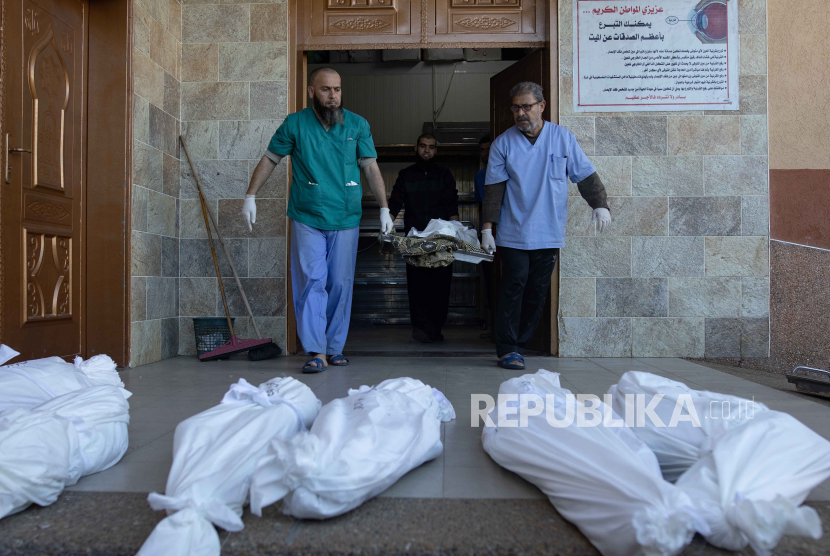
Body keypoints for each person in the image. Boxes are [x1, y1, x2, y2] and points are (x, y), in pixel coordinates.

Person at [242, 67, 394, 373]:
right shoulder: (295, 124)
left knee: (339, 282)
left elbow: (371, 167)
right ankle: (316, 350)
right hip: (307, 214)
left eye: (337, 90)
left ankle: (334, 347)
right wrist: (250, 195)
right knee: (313, 281)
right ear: (312, 91)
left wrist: (384, 208)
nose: (333, 97)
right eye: (326, 90)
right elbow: (271, 158)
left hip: (346, 215)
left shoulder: (357, 124)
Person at [481, 81, 612, 370]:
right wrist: (487, 228)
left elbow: (585, 176)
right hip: (513, 231)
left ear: (541, 106)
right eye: (515, 107)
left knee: (537, 289)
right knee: (513, 285)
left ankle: (520, 344)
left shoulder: (562, 138)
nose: (520, 113)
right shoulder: (503, 143)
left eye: (526, 106)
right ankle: (507, 349)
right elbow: (494, 190)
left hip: (549, 231)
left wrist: (599, 204)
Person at [387, 133, 459, 343]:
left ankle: (435, 328)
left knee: (440, 284)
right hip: (415, 240)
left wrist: (457, 232)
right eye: (423, 146)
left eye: (431, 147)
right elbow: (395, 203)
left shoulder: (444, 175)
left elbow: (451, 204)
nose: (427, 150)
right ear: (415, 148)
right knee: (417, 285)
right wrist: (386, 224)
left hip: (441, 239)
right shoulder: (406, 175)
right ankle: (419, 327)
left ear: (436, 150)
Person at [473, 134, 494, 340]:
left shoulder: (507, 170)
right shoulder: (480, 176)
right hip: (486, 235)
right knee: (490, 282)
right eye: (482, 150)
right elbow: (480, 207)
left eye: (489, 148)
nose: (486, 153)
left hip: (507, 234)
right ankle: (495, 327)